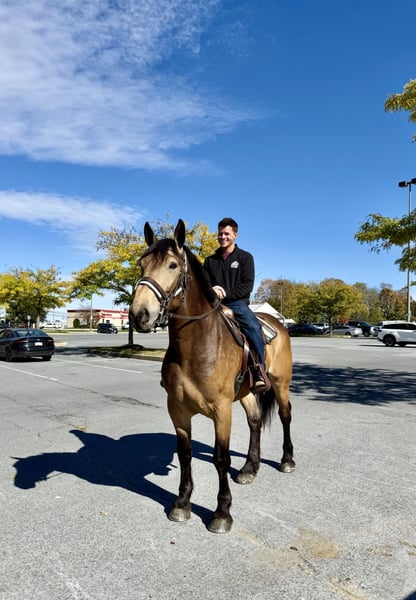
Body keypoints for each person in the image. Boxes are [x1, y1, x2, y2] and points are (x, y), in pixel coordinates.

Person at [204, 217, 270, 393]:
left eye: (227, 234)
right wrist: (212, 289)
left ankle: (259, 369)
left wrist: (225, 293)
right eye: (220, 234)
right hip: (213, 303)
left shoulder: (245, 258)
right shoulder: (210, 261)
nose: (223, 237)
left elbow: (247, 285)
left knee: (253, 327)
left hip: (237, 303)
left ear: (235, 235)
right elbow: (204, 283)